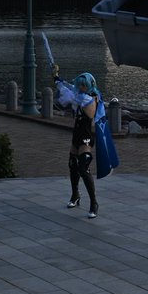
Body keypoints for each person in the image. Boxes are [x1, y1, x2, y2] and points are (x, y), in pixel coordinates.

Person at [54, 71, 104, 219]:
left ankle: (94, 203)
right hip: (76, 134)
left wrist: (62, 86)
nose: (81, 87)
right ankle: (75, 195)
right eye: (80, 85)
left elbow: (73, 96)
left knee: (84, 168)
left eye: (84, 85)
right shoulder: (79, 95)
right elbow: (70, 91)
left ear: (89, 85)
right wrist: (58, 81)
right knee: (72, 164)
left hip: (86, 136)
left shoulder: (91, 98)